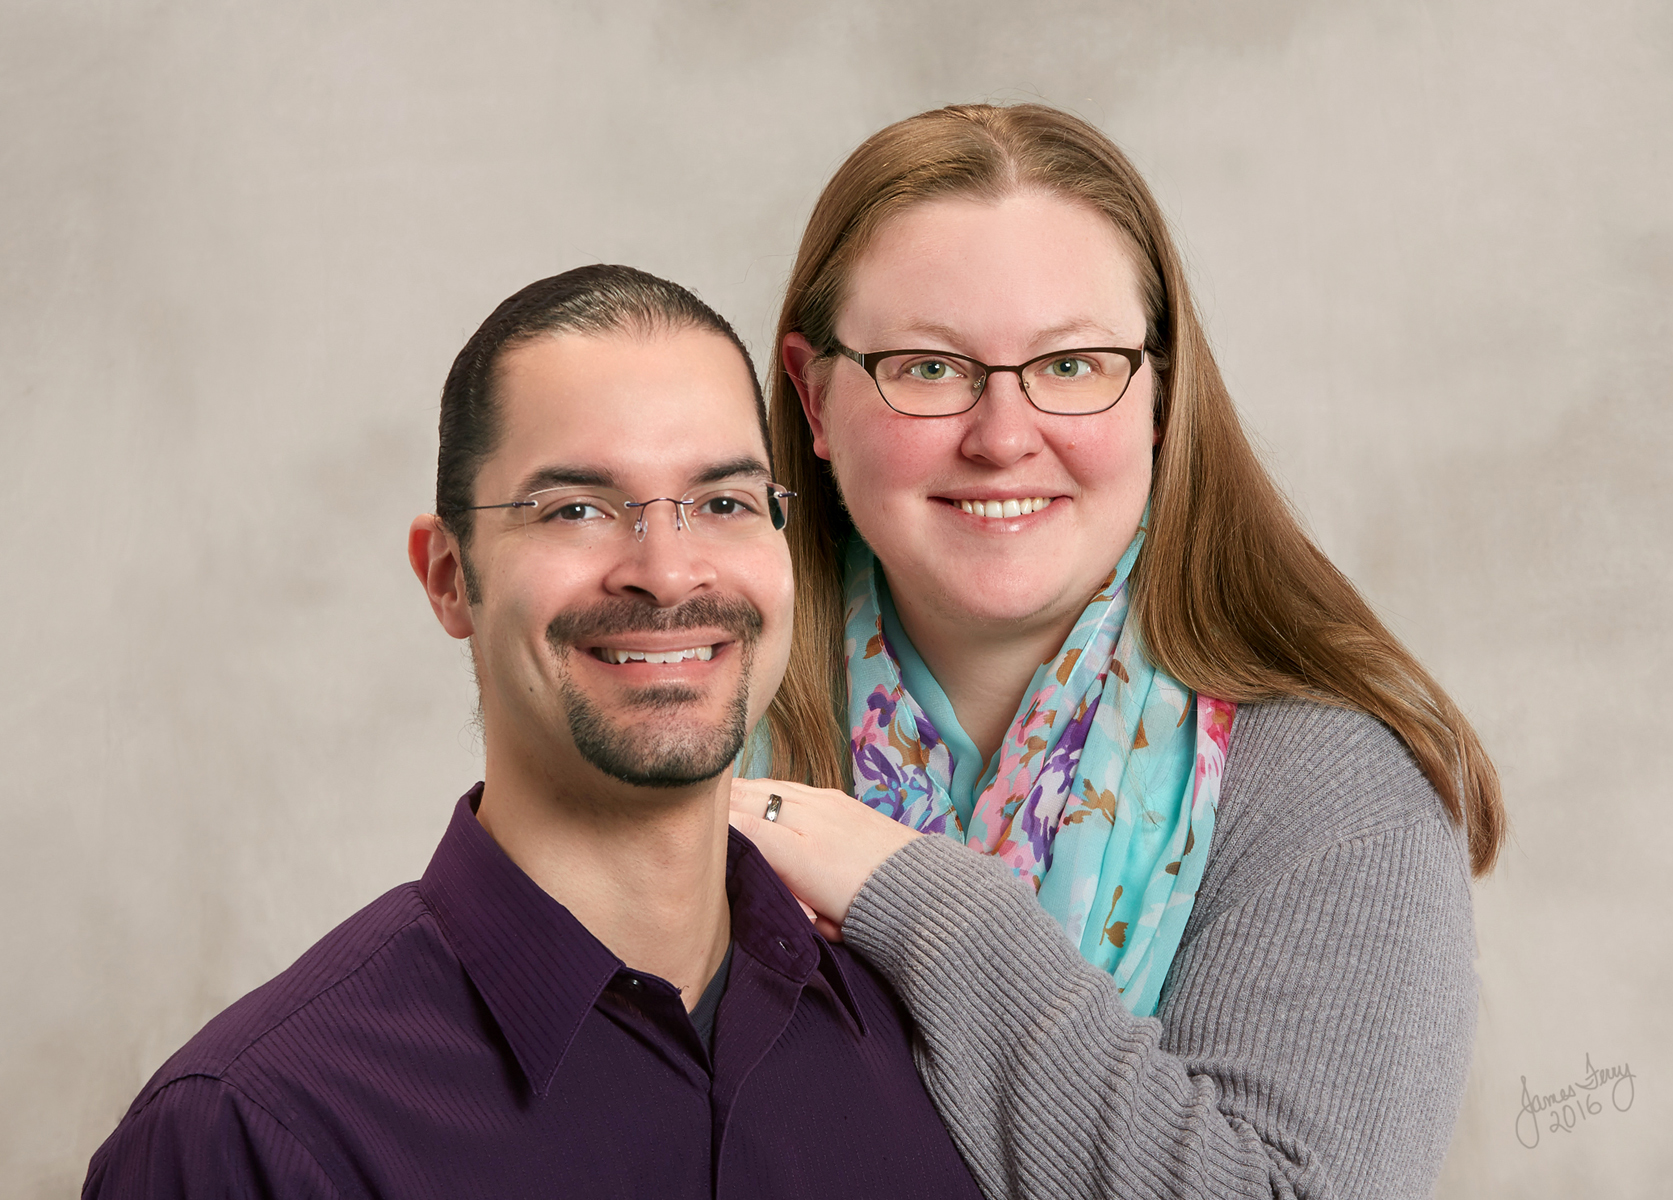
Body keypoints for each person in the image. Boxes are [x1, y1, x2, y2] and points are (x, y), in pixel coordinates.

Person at [730, 104, 1506, 1199]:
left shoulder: (1332, 793)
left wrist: (915, 901)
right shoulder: (696, 733)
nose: (1002, 436)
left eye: (1073, 362)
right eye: (928, 368)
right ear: (813, 397)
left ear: (1157, 395)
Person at [83, 265, 983, 1200]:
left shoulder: (918, 1039)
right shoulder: (248, 1135)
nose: (667, 575)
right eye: (577, 510)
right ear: (447, 577)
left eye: (722, 503)